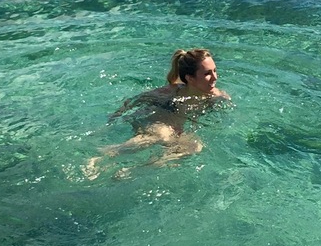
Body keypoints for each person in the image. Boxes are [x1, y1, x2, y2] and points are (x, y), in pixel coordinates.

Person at [85, 48, 230, 177]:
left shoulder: (217, 96)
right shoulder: (174, 90)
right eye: (207, 73)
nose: (215, 77)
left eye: (215, 71)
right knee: (162, 135)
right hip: (158, 125)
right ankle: (101, 156)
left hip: (178, 132)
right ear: (190, 78)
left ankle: (133, 171)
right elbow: (137, 99)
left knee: (195, 146)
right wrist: (116, 117)